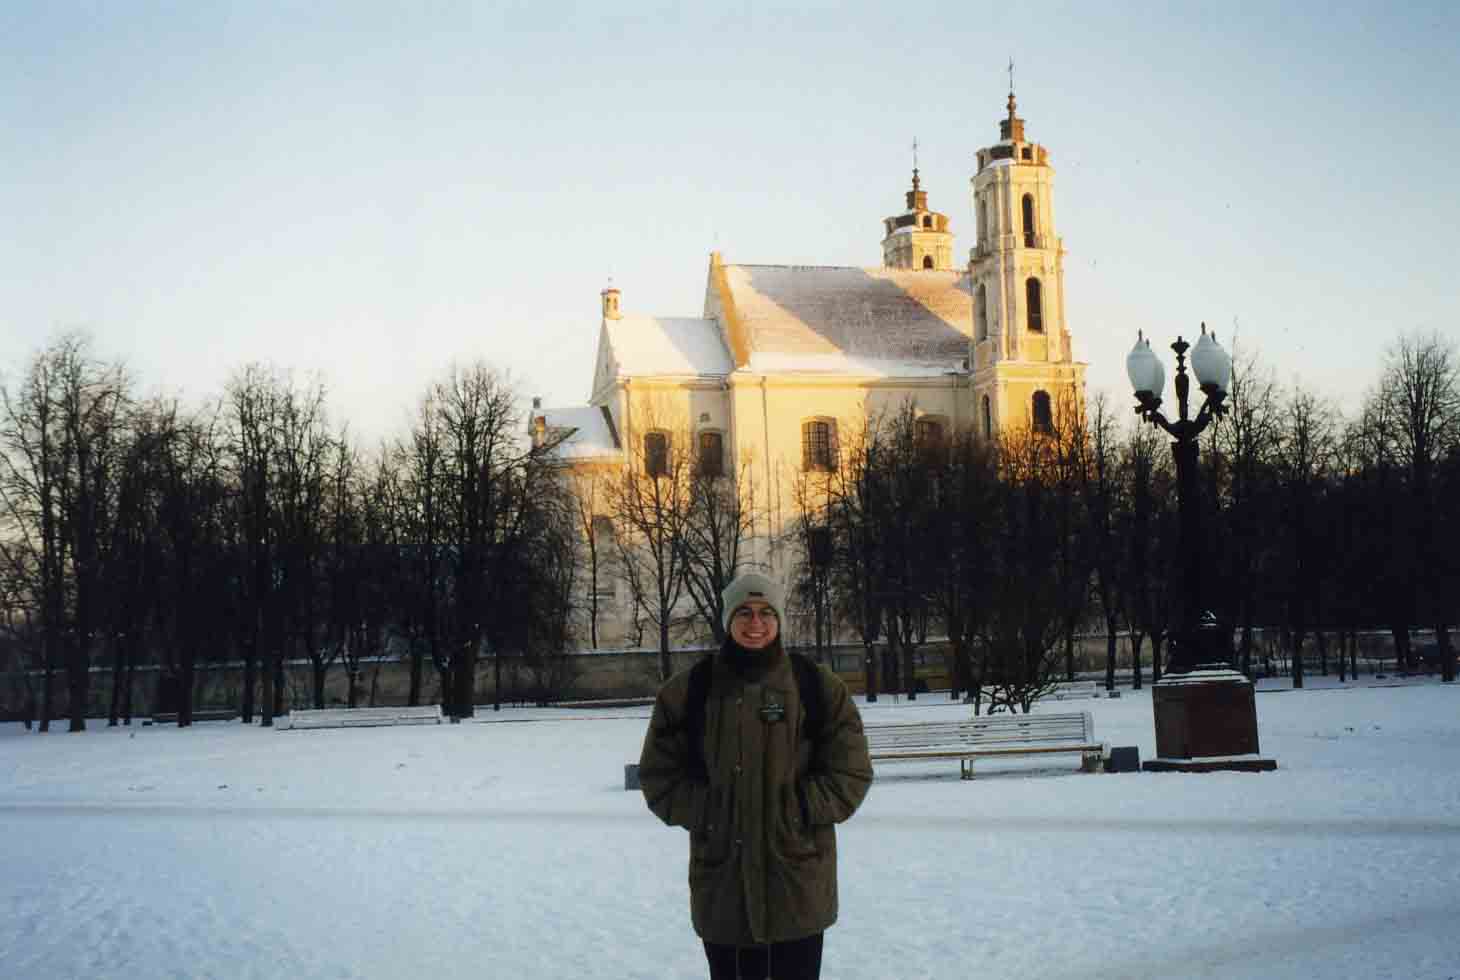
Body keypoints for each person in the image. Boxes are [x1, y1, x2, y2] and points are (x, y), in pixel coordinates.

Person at [638, 572, 872, 980]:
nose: (755, 622)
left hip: (797, 882)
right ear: (728, 619)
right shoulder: (688, 691)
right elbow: (659, 777)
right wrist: (709, 812)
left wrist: (799, 809)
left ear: (779, 619)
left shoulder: (817, 687)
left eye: (766, 612)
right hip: (723, 883)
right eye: (744, 612)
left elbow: (851, 771)